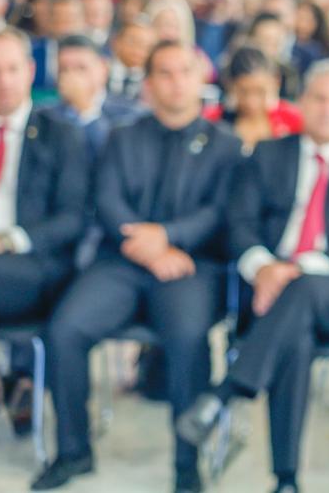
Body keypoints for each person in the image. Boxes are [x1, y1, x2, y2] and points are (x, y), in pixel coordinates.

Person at [35, 40, 242, 493]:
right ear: (147, 84)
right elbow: (106, 198)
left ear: (200, 79)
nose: (175, 82)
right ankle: (73, 452)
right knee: (65, 329)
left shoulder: (227, 145)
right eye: (163, 73)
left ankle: (187, 468)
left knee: (188, 337)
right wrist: (147, 245)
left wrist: (170, 237)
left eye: (183, 71)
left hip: (191, 265)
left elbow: (220, 212)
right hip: (123, 261)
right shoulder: (123, 135)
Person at [177, 60, 329, 493]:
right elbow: (240, 224)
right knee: (295, 339)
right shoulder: (267, 155)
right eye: (320, 99)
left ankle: (226, 392)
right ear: (301, 103)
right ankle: (286, 479)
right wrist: (263, 268)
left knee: (304, 289)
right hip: (273, 295)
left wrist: (293, 270)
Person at [0, 28, 88, 434]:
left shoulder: (61, 134)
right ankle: (11, 383)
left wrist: (7, 239)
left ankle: (14, 381)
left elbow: (73, 218)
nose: (4, 80)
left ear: (31, 71)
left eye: (12, 69)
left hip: (32, 267)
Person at [52, 35, 142, 159]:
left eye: (81, 68)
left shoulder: (128, 112)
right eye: (64, 69)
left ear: (103, 68)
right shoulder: (47, 115)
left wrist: (85, 108)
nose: (72, 76)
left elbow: (116, 156)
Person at [203, 47, 302, 153]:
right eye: (243, 92)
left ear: (275, 82)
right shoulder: (213, 120)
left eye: (260, 92)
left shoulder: (292, 120)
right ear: (230, 86)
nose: (252, 102)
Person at [107, 17, 157, 102]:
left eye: (147, 46)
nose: (138, 49)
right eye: (133, 41)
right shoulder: (102, 71)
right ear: (116, 42)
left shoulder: (153, 80)